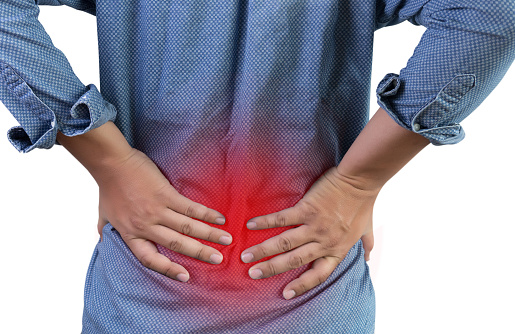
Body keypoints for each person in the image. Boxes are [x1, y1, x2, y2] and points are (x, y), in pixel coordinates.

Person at [1, 0, 514, 333]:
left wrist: (109, 161)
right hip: (311, 294)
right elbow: (490, 12)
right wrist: (359, 180)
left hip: (148, 290)